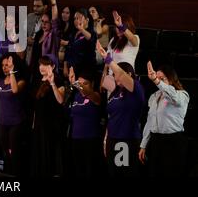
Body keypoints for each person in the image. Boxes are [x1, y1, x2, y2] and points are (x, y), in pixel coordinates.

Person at [97, 41, 145, 177]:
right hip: (113, 139)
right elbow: (111, 116)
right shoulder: (115, 91)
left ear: (129, 74)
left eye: (117, 73)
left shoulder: (136, 89)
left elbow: (121, 75)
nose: (115, 76)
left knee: (123, 174)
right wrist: (106, 140)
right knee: (113, 173)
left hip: (126, 140)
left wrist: (108, 59)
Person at [138, 61, 189, 177]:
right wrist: (143, 145)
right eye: (157, 78)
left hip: (173, 142)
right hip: (156, 142)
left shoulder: (182, 95)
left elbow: (173, 96)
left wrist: (156, 80)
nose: (158, 81)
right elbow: (150, 122)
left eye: (162, 78)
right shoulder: (154, 96)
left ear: (171, 79)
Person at [30, 56, 65, 177]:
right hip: (39, 123)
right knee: (38, 154)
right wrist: (34, 123)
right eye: (40, 64)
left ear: (53, 66)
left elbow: (60, 100)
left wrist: (52, 83)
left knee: (49, 153)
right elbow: (35, 105)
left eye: (45, 65)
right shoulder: (36, 81)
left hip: (52, 124)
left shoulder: (59, 80)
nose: (41, 67)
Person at [0, 53, 27, 176]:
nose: (4, 67)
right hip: (2, 121)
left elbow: (15, 90)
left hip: (16, 122)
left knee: (15, 152)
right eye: (3, 65)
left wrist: (12, 72)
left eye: (7, 65)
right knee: (6, 152)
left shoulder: (21, 80)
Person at [67, 67, 103, 177]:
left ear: (92, 83)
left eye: (85, 83)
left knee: (90, 171)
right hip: (76, 139)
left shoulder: (96, 95)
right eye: (80, 83)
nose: (82, 86)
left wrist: (75, 83)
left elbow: (90, 94)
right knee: (78, 170)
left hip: (91, 140)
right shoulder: (76, 96)